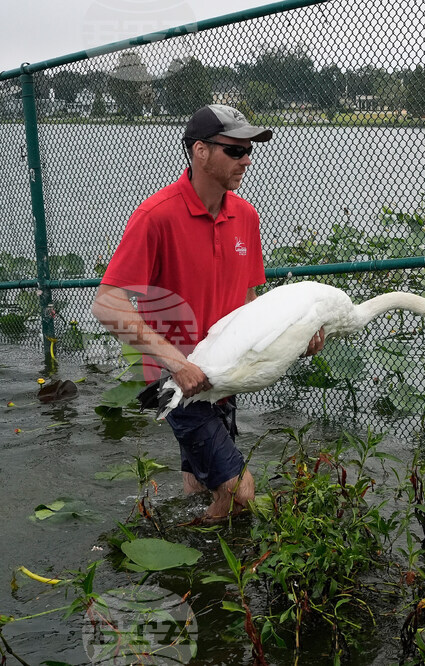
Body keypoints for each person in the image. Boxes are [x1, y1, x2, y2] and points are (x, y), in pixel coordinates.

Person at [92, 104, 324, 521]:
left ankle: (189, 541)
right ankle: (212, 552)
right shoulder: (156, 216)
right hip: (178, 379)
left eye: (249, 150)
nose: (247, 160)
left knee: (200, 485)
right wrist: (178, 364)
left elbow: (251, 306)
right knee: (240, 492)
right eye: (235, 150)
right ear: (200, 151)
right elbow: (107, 303)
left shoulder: (246, 217)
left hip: (224, 374)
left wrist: (293, 340)